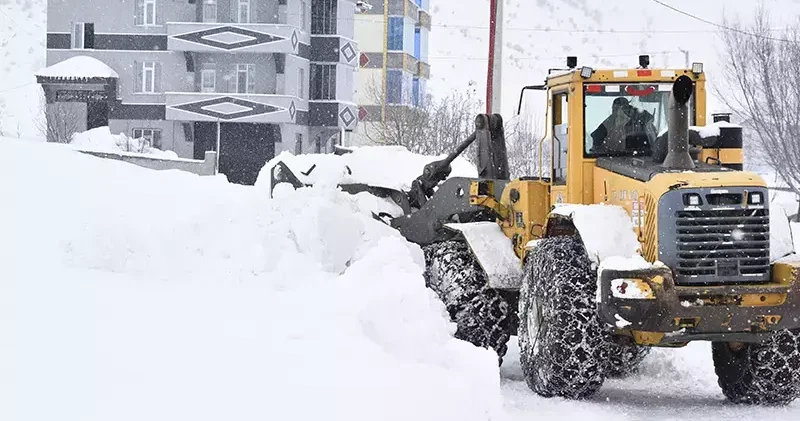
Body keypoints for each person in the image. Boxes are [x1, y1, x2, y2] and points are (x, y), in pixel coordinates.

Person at [591, 97, 657, 154]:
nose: (616, 112)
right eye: (614, 109)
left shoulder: (607, 124)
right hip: (630, 158)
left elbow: (596, 142)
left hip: (614, 158)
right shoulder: (607, 124)